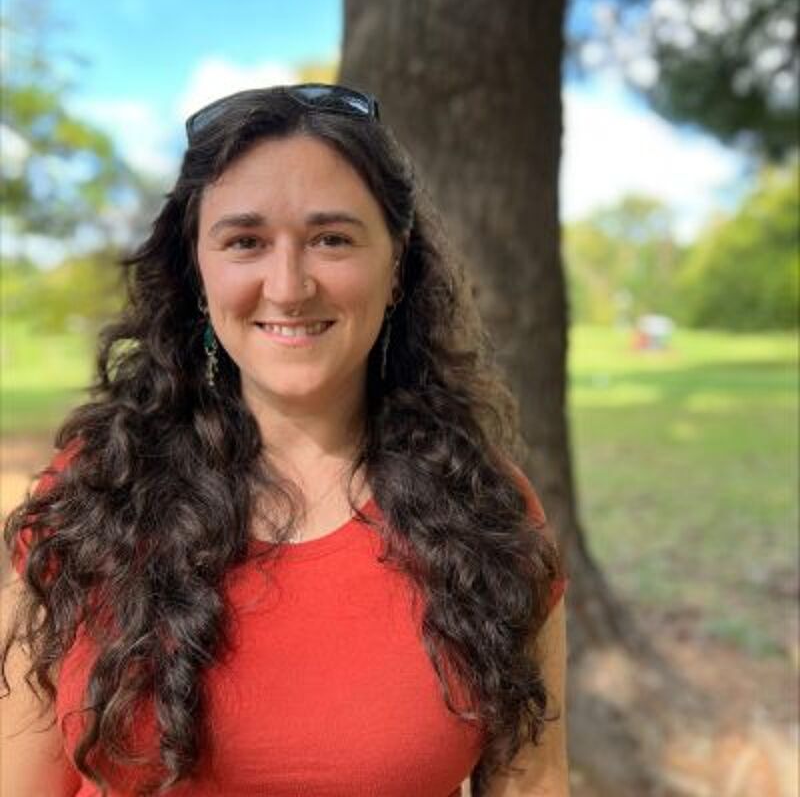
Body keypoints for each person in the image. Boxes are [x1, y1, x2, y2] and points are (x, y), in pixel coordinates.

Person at [1, 83, 568, 796]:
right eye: (245, 242)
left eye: (331, 239)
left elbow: (533, 781)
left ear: (396, 267)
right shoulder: (91, 492)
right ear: (198, 275)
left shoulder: (489, 511)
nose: (289, 285)